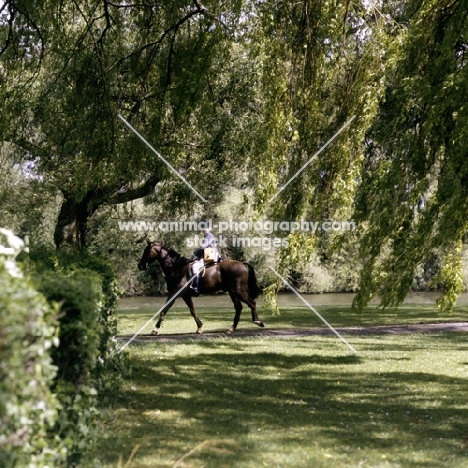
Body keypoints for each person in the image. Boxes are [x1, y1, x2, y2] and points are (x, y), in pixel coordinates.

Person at [189, 228, 219, 295]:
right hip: (208, 255)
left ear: (209, 229)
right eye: (203, 228)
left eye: (205, 228)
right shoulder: (207, 236)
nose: (204, 229)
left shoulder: (209, 236)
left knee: (195, 266)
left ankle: (195, 286)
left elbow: (203, 247)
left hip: (211, 256)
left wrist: (194, 253)